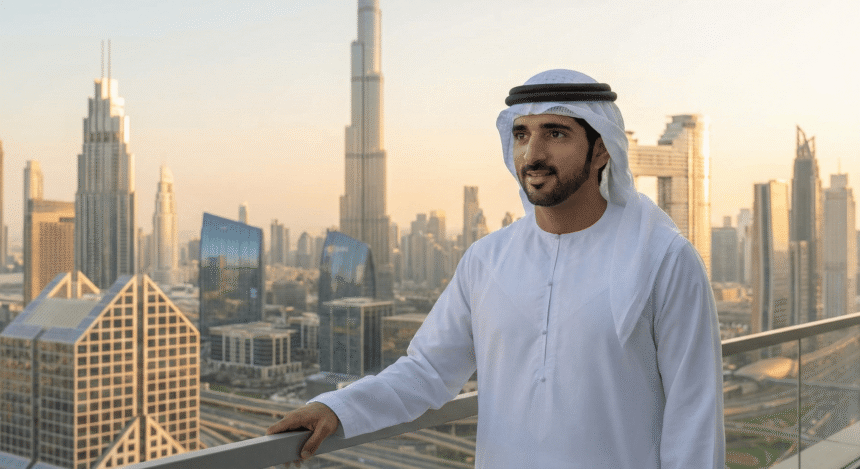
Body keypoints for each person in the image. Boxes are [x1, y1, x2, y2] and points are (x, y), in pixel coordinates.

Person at [267, 69, 725, 468]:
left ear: (601, 149)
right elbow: (427, 371)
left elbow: (694, 415)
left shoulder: (663, 258)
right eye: (522, 134)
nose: (533, 154)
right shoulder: (487, 260)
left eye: (556, 133)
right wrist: (337, 408)